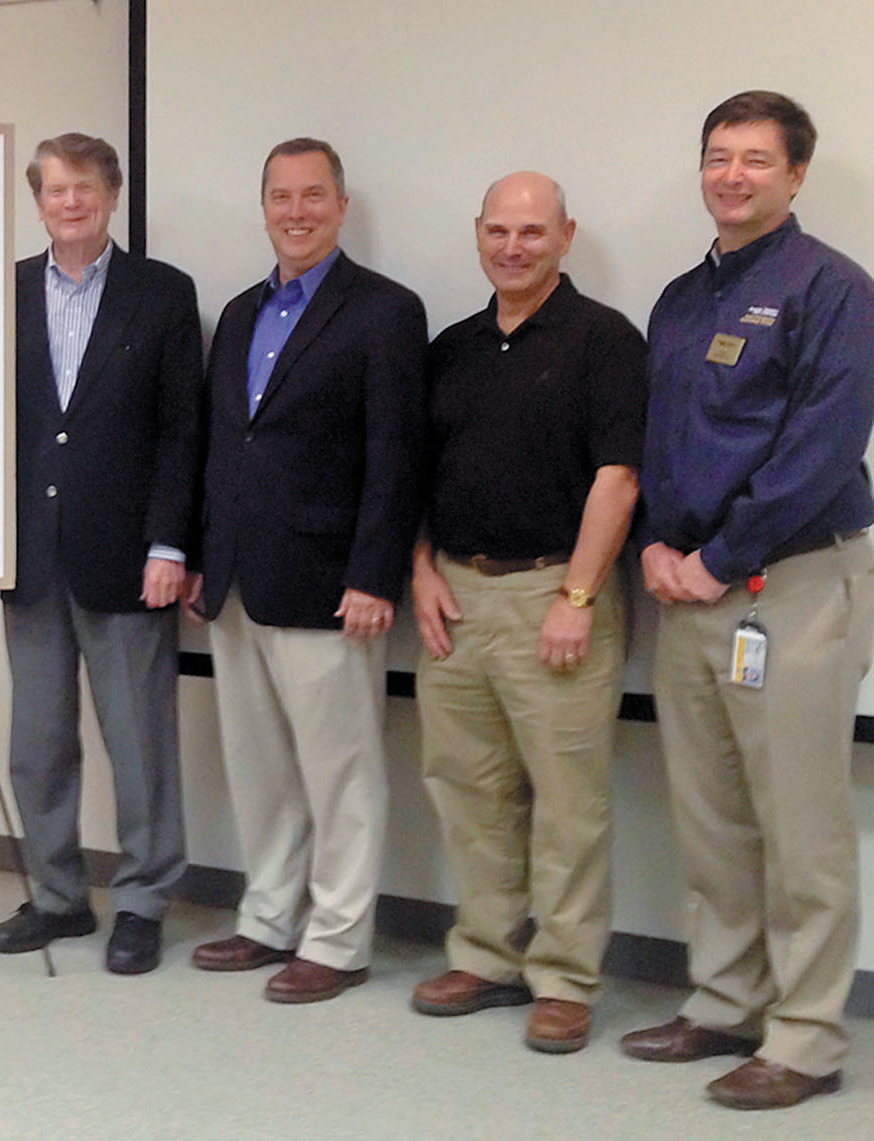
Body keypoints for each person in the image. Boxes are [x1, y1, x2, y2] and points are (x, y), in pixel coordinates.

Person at [622, 90, 874, 1111]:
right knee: (711, 812)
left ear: (795, 175)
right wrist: (655, 548)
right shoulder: (683, 297)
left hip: (791, 582)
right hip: (686, 586)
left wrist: (719, 555)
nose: (731, 175)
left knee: (799, 821)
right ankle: (724, 999)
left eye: (755, 160)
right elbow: (654, 440)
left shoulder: (835, 289)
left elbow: (821, 447)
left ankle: (807, 1039)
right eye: (717, 156)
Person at [407, 173, 645, 1054]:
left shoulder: (604, 341)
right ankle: (484, 956)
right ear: (476, 234)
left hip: (556, 596)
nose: (514, 245)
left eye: (532, 231)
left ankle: (564, 978)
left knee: (567, 805)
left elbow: (617, 477)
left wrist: (577, 596)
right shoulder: (451, 347)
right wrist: (420, 568)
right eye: (498, 229)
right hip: (454, 601)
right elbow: (414, 474)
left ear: (565, 236)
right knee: (469, 792)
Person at [188, 138, 426, 1003]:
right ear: (263, 207)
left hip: (332, 583)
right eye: (281, 196)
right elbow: (221, 447)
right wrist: (201, 557)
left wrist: (373, 575)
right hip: (237, 581)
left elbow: (394, 457)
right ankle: (266, 918)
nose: (296, 211)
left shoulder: (384, 310)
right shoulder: (241, 312)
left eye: (313, 195)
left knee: (341, 772)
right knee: (258, 767)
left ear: (340, 205)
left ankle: (337, 937)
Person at [0, 133, 202, 975]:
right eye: (54, 189)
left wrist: (170, 541)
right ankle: (56, 896)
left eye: (84, 188)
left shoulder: (162, 293)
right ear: (37, 202)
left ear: (111, 195)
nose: (69, 202)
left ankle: (142, 900)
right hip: (30, 559)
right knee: (37, 742)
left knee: (139, 741)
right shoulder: (2, 292)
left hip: (129, 558)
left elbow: (183, 429)